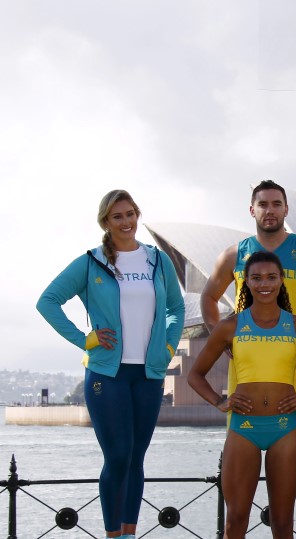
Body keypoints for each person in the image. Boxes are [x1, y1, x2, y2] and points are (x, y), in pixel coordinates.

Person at [201, 180, 296, 538]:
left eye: (276, 204)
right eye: (263, 204)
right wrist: (224, 341)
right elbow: (208, 298)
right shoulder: (234, 254)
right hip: (249, 368)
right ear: (252, 210)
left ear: (286, 210)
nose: (270, 210)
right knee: (244, 442)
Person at [36, 190, 185, 539]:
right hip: (107, 373)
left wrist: (166, 346)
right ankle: (113, 534)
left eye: (131, 213)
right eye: (118, 216)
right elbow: (48, 302)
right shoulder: (91, 262)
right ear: (106, 221)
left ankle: (130, 534)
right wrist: (84, 339)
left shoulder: (157, 260)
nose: (126, 221)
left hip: (148, 374)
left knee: (136, 459)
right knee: (118, 455)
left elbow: (177, 309)